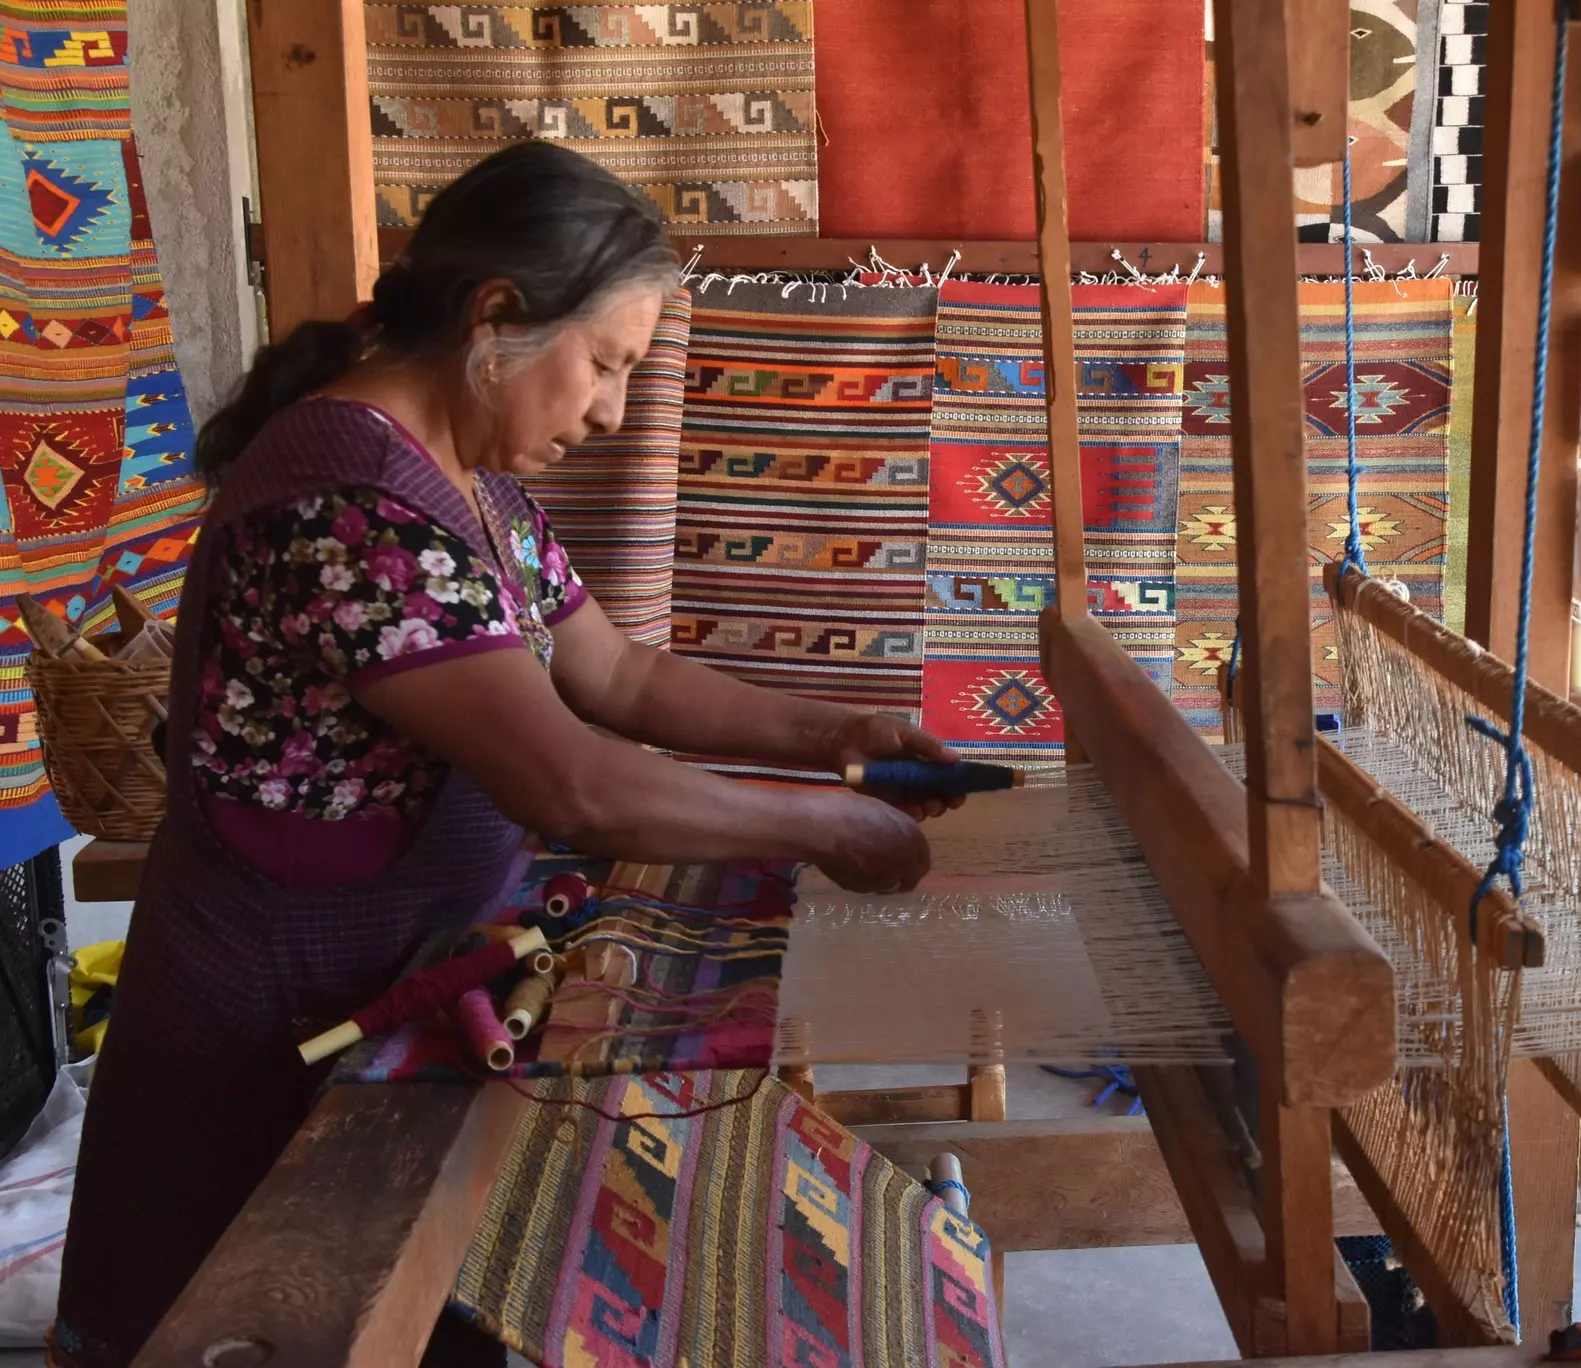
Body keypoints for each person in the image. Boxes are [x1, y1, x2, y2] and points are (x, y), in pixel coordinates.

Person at [52, 142, 952, 1367]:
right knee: (260, 1320)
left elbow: (619, 676)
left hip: (390, 981)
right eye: (605, 364)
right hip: (273, 1020)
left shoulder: (468, 490)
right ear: (495, 319)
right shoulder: (350, 505)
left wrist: (830, 734)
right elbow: (567, 779)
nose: (611, 412)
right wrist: (827, 826)